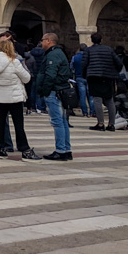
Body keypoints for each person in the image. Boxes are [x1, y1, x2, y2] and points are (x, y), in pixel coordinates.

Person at [0, 38, 40, 159]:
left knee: (0, 122)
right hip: (14, 96)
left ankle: (2, 148)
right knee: (18, 124)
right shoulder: (14, 62)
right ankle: (25, 149)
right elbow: (27, 78)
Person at [36, 33, 73, 161]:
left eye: (42, 40)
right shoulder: (58, 53)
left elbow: (50, 74)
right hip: (60, 90)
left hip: (54, 91)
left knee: (57, 121)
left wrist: (45, 90)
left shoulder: (53, 55)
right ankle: (66, 149)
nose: (41, 43)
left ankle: (60, 150)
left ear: (48, 41)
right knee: (63, 122)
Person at [83, 33, 122, 131]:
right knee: (109, 99)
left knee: (97, 99)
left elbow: (84, 64)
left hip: (94, 76)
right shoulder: (109, 49)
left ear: (92, 40)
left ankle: (100, 123)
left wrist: (85, 75)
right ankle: (111, 124)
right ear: (101, 40)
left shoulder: (89, 50)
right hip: (108, 76)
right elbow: (119, 63)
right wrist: (114, 72)